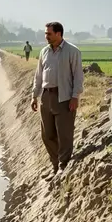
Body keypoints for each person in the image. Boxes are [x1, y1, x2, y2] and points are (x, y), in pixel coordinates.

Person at [30, 22, 83, 175]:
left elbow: (78, 76)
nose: (46, 36)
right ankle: (55, 164)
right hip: (46, 97)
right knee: (47, 135)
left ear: (59, 34)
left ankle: (63, 166)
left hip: (64, 97)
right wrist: (35, 95)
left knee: (64, 134)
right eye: (46, 33)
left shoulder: (72, 51)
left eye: (49, 34)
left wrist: (75, 97)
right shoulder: (44, 52)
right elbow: (38, 76)